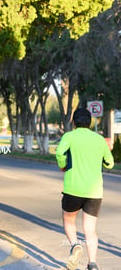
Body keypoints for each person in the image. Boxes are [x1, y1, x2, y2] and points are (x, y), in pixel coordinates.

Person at [56, 108, 114, 270]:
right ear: (90, 122)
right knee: (90, 229)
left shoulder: (69, 136)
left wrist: (63, 165)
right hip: (94, 192)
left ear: (73, 122)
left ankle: (75, 246)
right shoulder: (99, 139)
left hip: (73, 188)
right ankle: (93, 263)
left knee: (68, 220)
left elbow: (60, 154)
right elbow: (109, 163)